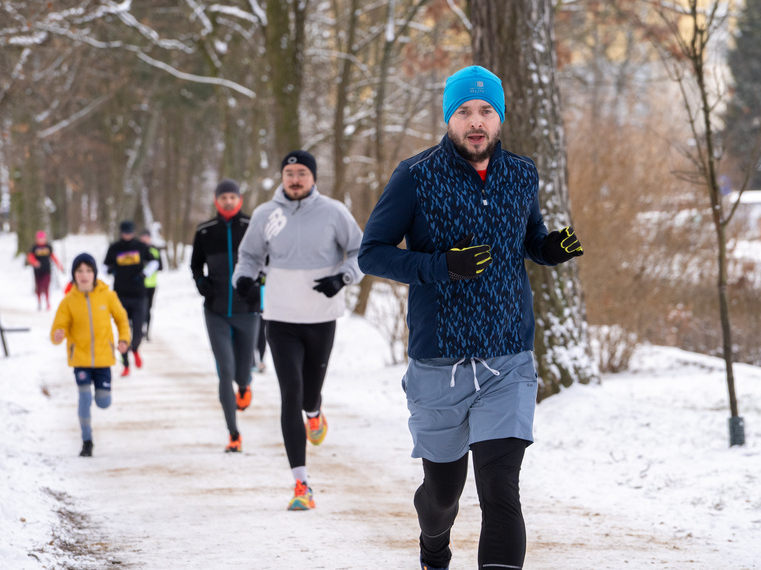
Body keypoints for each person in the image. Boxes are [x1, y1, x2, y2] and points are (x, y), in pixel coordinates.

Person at [358, 66, 584, 570]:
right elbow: (371, 254)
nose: (475, 121)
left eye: (486, 111)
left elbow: (525, 239)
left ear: (499, 119)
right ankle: (433, 543)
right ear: (449, 118)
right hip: (439, 362)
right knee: (442, 496)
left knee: (500, 489)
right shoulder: (414, 176)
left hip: (507, 358)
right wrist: (441, 266)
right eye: (464, 111)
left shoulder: (522, 174)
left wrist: (548, 248)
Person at [232, 150, 364, 511]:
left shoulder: (334, 212)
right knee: (290, 392)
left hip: (321, 317)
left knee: (308, 395)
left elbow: (360, 252)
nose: (294, 179)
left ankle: (315, 411)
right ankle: (301, 484)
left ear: (313, 177)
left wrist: (343, 277)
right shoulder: (265, 214)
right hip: (280, 317)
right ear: (282, 177)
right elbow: (248, 258)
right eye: (289, 173)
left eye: (302, 173)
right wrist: (242, 280)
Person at [191, 180, 262, 453]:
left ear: (240, 199)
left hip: (248, 310)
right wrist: (200, 282)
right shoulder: (205, 231)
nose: (229, 201)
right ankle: (234, 433)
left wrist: (259, 286)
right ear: (216, 200)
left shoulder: (252, 227)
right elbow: (195, 264)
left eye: (233, 196)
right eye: (224, 197)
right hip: (216, 310)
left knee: (243, 371)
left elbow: (265, 260)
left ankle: (244, 385)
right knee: (225, 372)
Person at [50, 253, 131, 457]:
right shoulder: (68, 301)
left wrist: (123, 340)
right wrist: (58, 335)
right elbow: (58, 327)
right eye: (79, 271)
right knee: (84, 398)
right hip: (81, 360)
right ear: (74, 275)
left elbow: (122, 319)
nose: (84, 275)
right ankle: (87, 441)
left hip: (104, 359)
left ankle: (101, 396)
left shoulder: (108, 296)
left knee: (103, 402)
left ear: (94, 273)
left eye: (88, 270)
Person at [103, 221, 158, 377]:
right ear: (121, 232)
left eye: (130, 232)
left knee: (138, 329)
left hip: (139, 295)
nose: (127, 235)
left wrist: (144, 274)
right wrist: (110, 269)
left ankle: (135, 349)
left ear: (133, 232)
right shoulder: (114, 248)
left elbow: (155, 262)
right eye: (125, 232)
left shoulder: (141, 246)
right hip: (119, 295)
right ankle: (125, 364)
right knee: (123, 330)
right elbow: (103, 265)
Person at [27, 230, 64, 310]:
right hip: (37, 271)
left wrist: (59, 265)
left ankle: (47, 303)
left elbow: (53, 257)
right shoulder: (34, 248)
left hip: (47, 270)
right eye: (40, 239)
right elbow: (30, 257)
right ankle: (39, 302)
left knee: (46, 286)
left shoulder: (48, 247)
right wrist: (35, 262)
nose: (41, 240)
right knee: (39, 287)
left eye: (43, 238)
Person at [138, 229, 163, 340]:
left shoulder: (155, 250)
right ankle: (138, 330)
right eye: (142, 237)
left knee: (148, 308)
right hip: (139, 284)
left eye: (146, 237)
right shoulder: (136, 249)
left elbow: (161, 266)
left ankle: (147, 331)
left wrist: (149, 266)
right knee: (139, 308)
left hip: (151, 284)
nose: (144, 239)